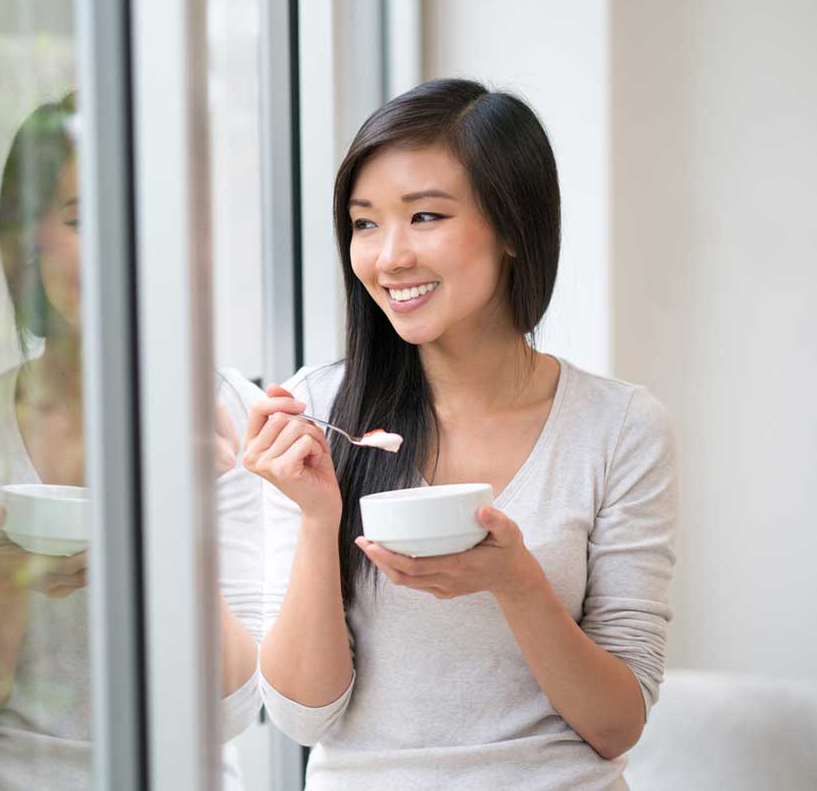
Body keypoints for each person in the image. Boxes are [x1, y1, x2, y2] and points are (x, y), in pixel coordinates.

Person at [243, 78, 677, 790]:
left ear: (512, 227)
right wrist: (318, 518)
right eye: (364, 223)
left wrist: (518, 583)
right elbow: (302, 716)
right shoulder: (317, 412)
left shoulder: (620, 428)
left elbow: (616, 723)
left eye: (425, 217)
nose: (389, 257)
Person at [0, 92, 263, 789]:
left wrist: (183, 521)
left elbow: (233, 709)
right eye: (81, 219)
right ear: (27, 243)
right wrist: (2, 579)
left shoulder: (227, 416)